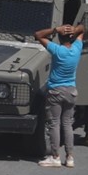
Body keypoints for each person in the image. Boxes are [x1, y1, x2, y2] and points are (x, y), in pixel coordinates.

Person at [35, 23, 85, 167]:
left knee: (54, 123)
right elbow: (83, 29)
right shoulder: (77, 48)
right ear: (72, 37)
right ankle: (70, 157)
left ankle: (55, 156)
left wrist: (55, 29)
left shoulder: (57, 50)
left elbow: (38, 35)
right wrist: (75, 30)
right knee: (68, 124)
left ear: (59, 37)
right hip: (71, 90)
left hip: (56, 91)